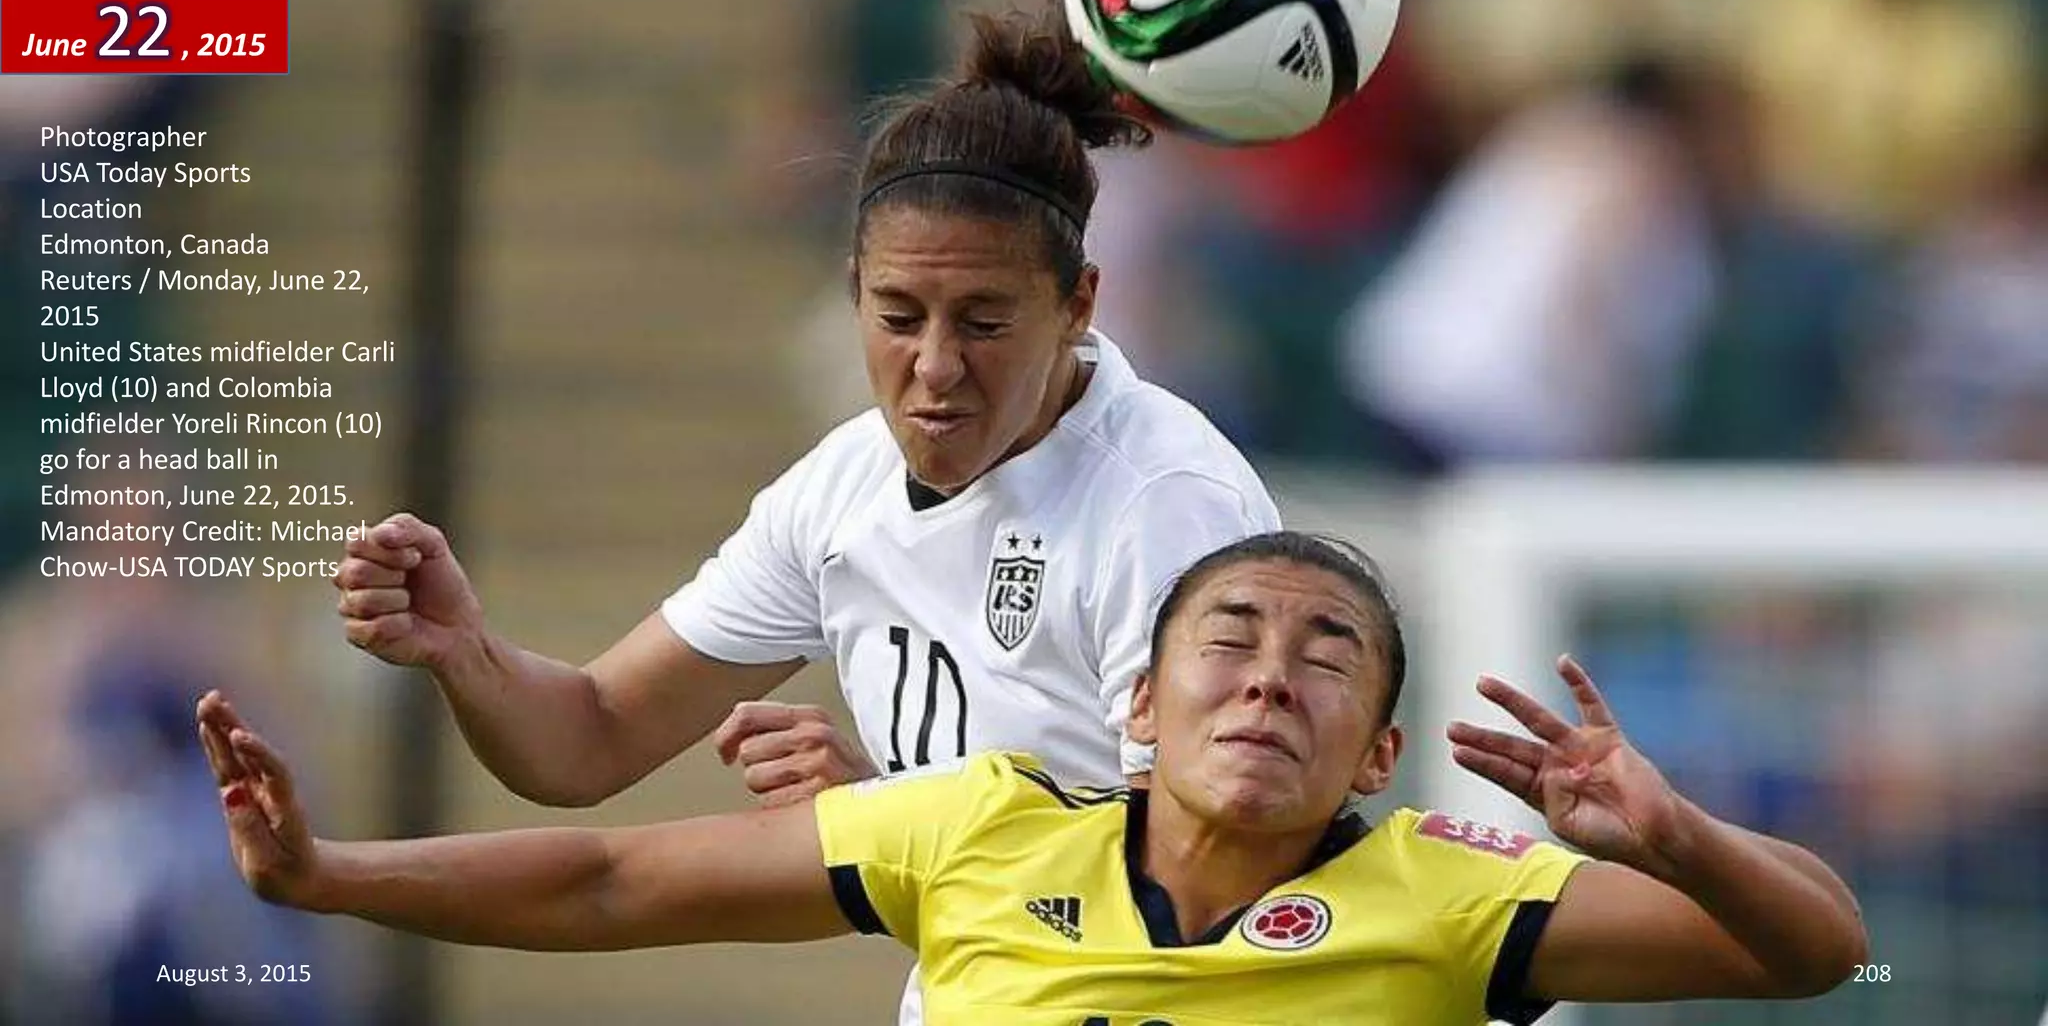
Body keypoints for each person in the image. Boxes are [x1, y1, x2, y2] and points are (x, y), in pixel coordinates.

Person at [211, 531, 1869, 1024]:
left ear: (1375, 750)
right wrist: (326, 874)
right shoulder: (981, 823)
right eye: (1229, 640)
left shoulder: (1451, 889)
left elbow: (1805, 948)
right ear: (1134, 703)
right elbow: (612, 874)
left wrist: (1677, 837)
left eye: (1325, 655)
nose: (1270, 674)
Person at [334, 8, 1277, 800]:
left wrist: (891, 815)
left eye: (985, 324)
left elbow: (1207, 867)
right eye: (898, 317)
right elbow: (589, 736)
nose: (936, 367)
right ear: (853, 294)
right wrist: (467, 653)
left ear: (1079, 305)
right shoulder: (843, 489)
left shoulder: (1165, 504)